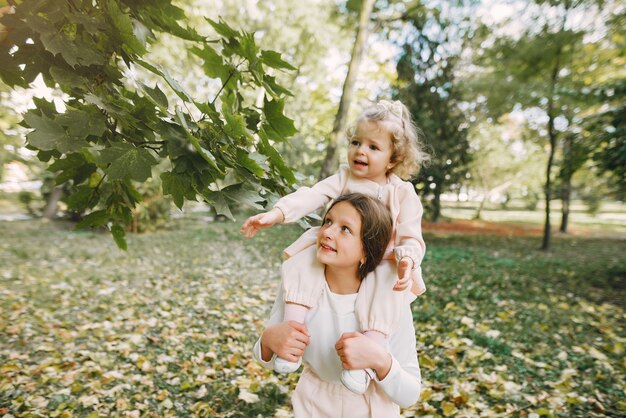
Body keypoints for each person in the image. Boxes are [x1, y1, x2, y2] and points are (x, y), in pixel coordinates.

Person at [242, 100, 429, 394]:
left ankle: (369, 354)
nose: (360, 151)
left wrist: (407, 259)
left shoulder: (401, 193)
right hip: (313, 400)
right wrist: (277, 214)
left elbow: (410, 235)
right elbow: (311, 195)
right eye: (356, 142)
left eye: (373, 147)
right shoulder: (344, 177)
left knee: (386, 285)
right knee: (303, 262)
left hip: (382, 259)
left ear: (393, 159)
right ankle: (292, 333)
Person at [253, 194, 422, 416]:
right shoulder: (300, 287)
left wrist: (380, 361)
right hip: (313, 405)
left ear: (366, 250)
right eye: (328, 221)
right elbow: (269, 358)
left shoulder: (387, 301)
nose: (327, 232)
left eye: (345, 229)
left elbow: (410, 395)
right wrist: (267, 341)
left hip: (372, 408)